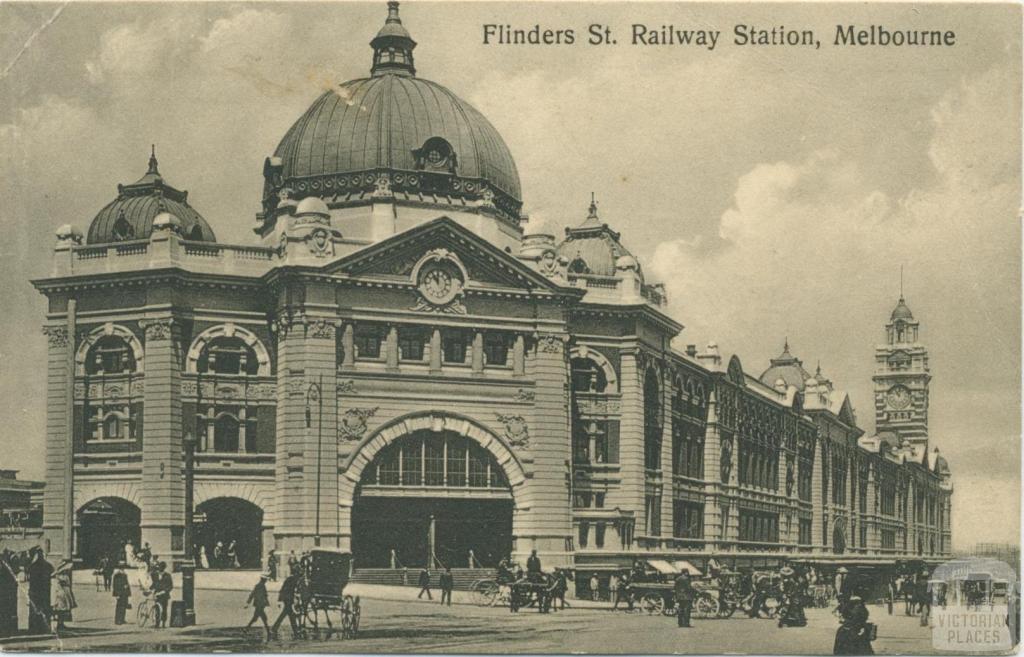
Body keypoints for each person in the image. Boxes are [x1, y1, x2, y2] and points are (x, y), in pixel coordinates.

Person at [26, 547, 53, 635]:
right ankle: (44, 627)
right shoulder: (48, 565)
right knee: (44, 609)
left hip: (34, 591)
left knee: (34, 610)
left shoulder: (32, 566)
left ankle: (33, 628)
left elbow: (28, 573)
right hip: (44, 591)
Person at [271, 567, 300, 639]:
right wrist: (280, 600)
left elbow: (282, 589)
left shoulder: (290, 579)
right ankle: (295, 631)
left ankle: (275, 628)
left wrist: (280, 600)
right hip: (288, 599)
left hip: (287, 599)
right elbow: (284, 590)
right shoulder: (293, 579)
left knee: (288, 614)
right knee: (287, 614)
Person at [52, 559, 77, 631]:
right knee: (61, 609)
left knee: (64, 610)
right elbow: (61, 585)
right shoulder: (61, 576)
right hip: (62, 594)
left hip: (65, 593)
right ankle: (59, 624)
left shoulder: (64, 576)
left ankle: (61, 623)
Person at [245, 574, 272, 638]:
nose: (266, 581)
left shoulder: (260, 585)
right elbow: (253, 594)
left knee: (255, 618)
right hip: (260, 605)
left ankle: (246, 628)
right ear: (263, 580)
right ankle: (268, 631)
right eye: (265, 580)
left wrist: (248, 603)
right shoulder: (260, 586)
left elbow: (252, 594)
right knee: (264, 618)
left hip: (259, 605)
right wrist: (248, 603)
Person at [0, 550, 18, 638]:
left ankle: (5, 631)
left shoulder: (5, 571)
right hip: (6, 595)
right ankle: (5, 632)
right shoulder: (7, 570)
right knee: (5, 613)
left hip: (5, 595)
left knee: (4, 613)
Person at [151, 561, 173, 629]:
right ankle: (157, 623)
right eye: (159, 568)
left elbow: (170, 586)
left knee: (164, 609)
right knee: (157, 609)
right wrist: (150, 589)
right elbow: (154, 583)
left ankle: (163, 623)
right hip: (157, 594)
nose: (160, 569)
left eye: (161, 568)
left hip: (164, 595)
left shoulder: (168, 575)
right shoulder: (156, 575)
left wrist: (164, 591)